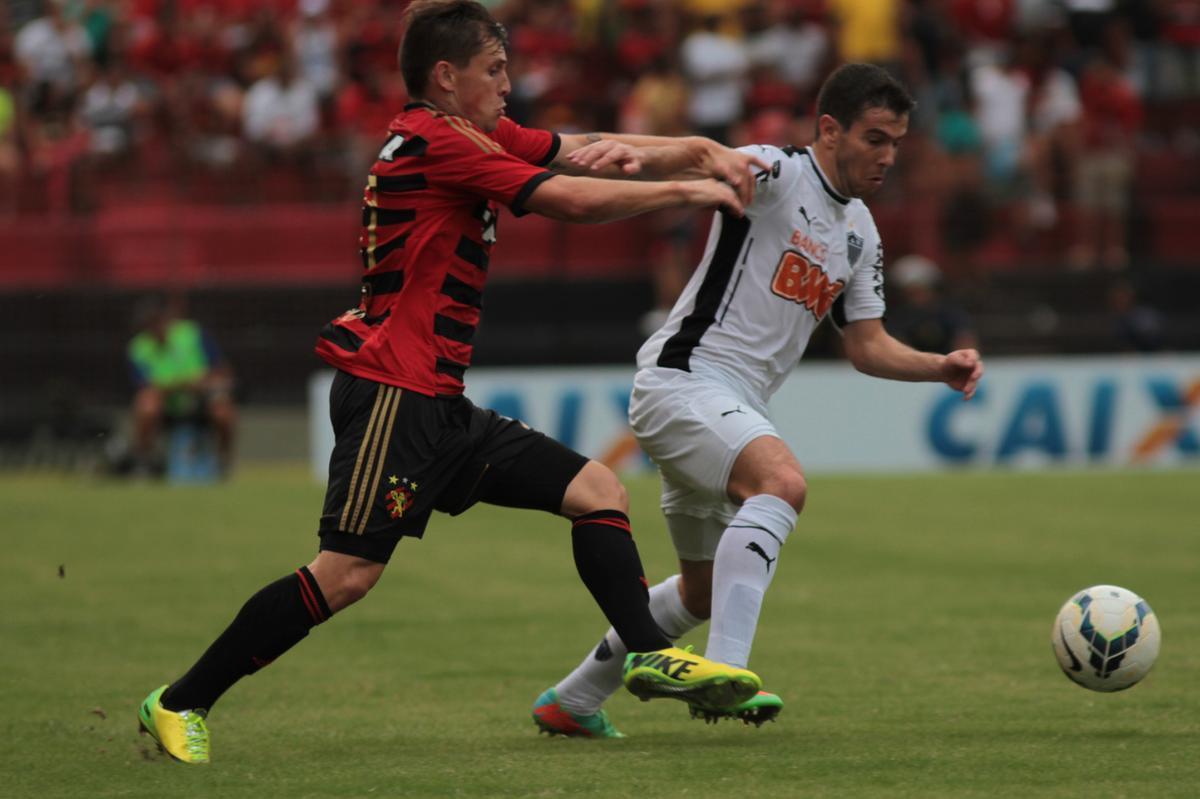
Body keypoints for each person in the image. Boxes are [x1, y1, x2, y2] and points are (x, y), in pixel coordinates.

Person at [138, 0, 770, 764]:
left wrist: (700, 151)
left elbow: (589, 149)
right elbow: (566, 195)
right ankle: (179, 700)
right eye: (495, 70)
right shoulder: (438, 141)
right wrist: (692, 191)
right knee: (345, 576)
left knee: (597, 489)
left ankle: (644, 654)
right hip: (390, 394)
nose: (510, 84)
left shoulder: (472, 132)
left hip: (436, 399)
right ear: (447, 77)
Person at [534, 63, 984, 738]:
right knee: (781, 482)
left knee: (703, 590)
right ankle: (726, 672)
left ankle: (570, 700)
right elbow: (701, 156)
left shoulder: (860, 231)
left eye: (896, 142)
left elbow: (866, 344)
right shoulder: (777, 173)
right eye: (875, 138)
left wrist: (936, 367)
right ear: (829, 130)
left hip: (722, 407)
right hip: (682, 381)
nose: (888, 155)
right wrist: (619, 147)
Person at [126, 296, 236, 476]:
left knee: (223, 409)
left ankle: (222, 463)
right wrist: (181, 384)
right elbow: (145, 387)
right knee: (146, 405)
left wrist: (203, 383)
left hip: (201, 400)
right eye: (150, 324)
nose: (156, 328)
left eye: (158, 321)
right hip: (167, 404)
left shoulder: (192, 333)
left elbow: (223, 372)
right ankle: (144, 461)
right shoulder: (138, 347)